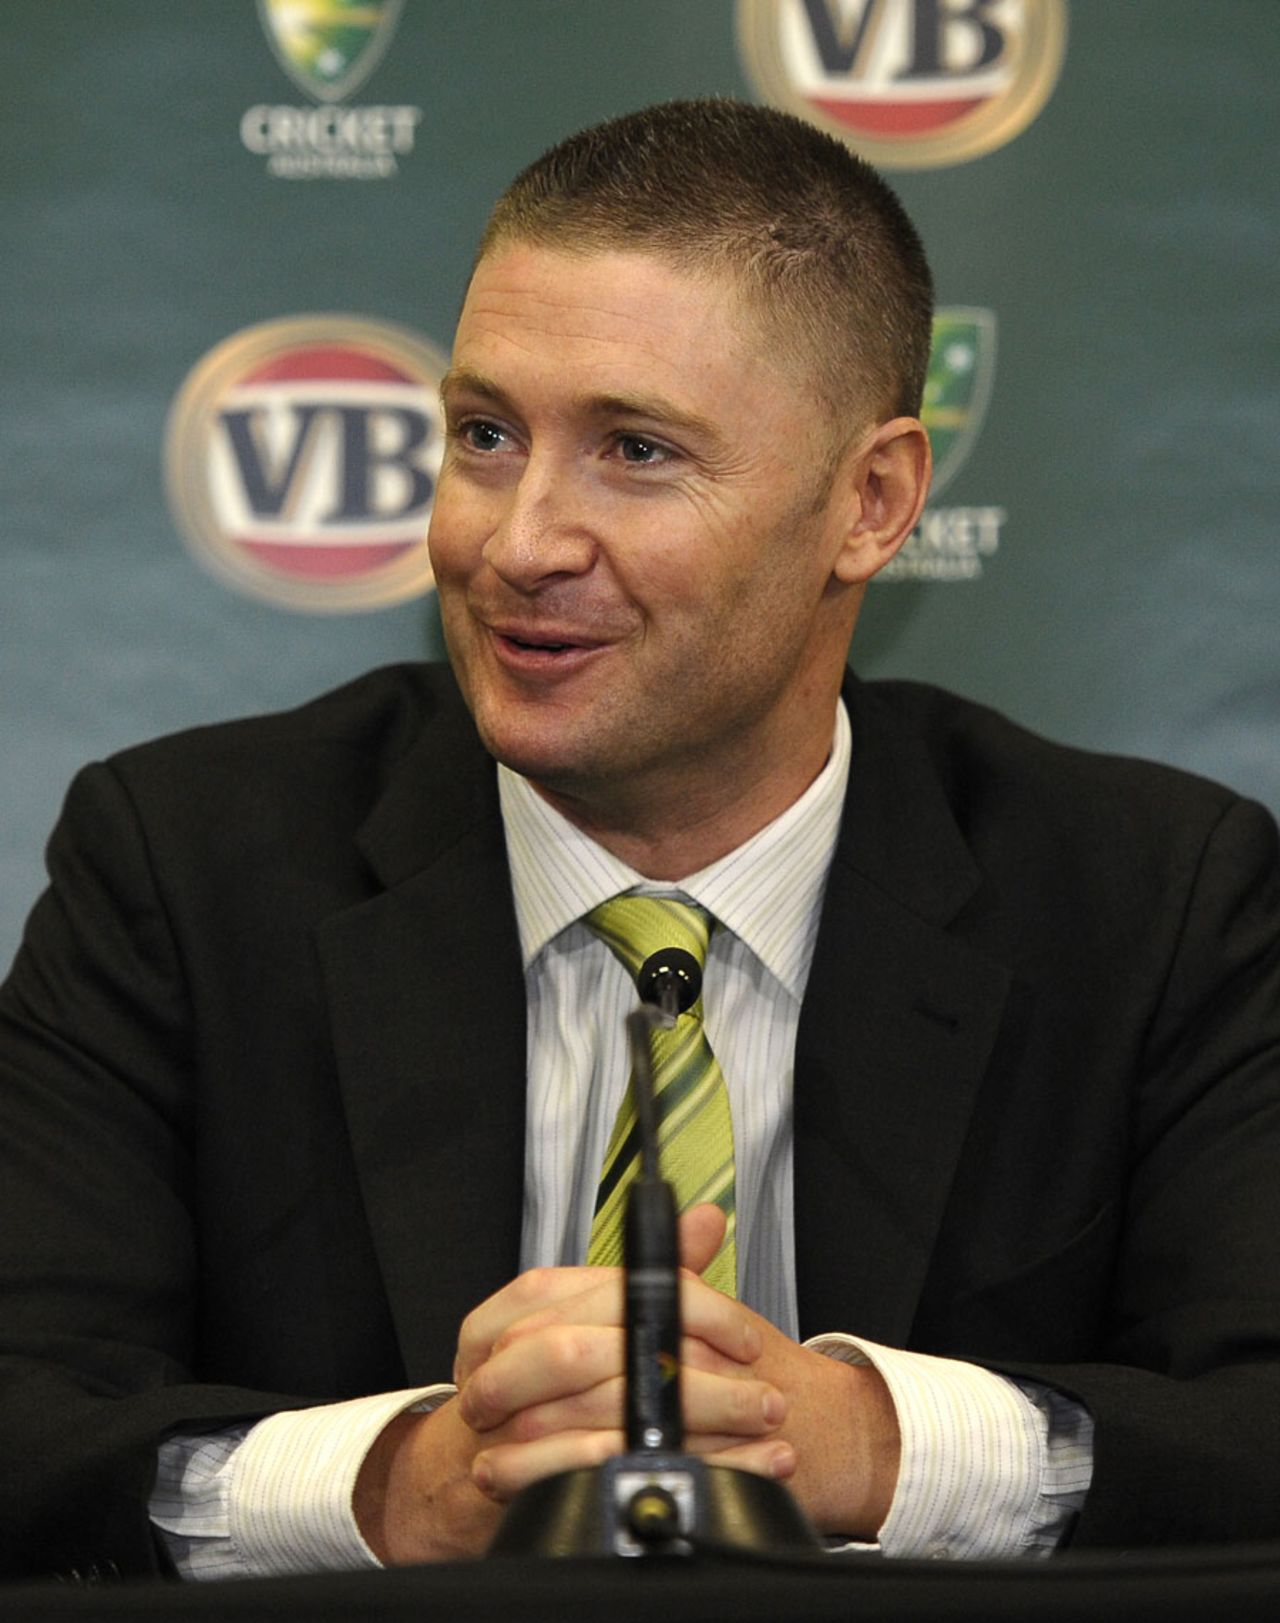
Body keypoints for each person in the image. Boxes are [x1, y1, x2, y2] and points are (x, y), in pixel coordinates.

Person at [2, 98, 1279, 1585]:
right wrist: (404, 1482)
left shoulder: (1150, 898)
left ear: (870, 504)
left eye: (637, 451)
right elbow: (24, 1412)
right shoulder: (186, 865)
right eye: (484, 435)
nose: (519, 539)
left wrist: (863, 1442)